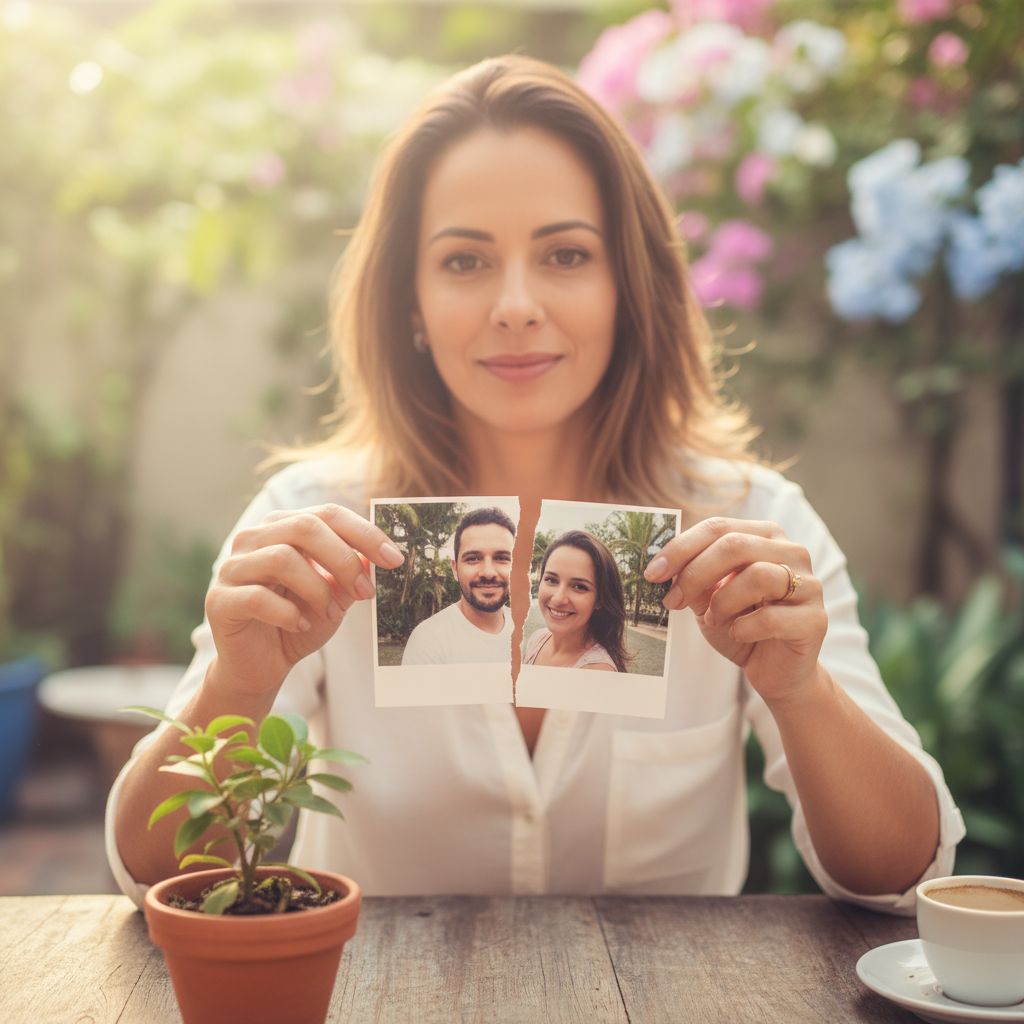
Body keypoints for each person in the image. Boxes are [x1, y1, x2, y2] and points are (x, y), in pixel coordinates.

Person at [108, 53, 964, 909]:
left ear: (629, 286)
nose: (515, 304)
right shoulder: (311, 527)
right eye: (464, 262)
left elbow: (902, 875)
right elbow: (157, 882)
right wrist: (239, 684)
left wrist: (799, 688)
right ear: (409, 302)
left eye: (564, 254)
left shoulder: (753, 527)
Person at [400, 506, 515, 665]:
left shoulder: (528, 636)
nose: (488, 573)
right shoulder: (427, 642)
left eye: (502, 558)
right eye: (473, 558)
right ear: (455, 569)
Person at [523, 530, 627, 672]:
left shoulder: (596, 671)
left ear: (600, 600)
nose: (558, 598)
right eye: (551, 580)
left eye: (579, 587)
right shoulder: (536, 640)